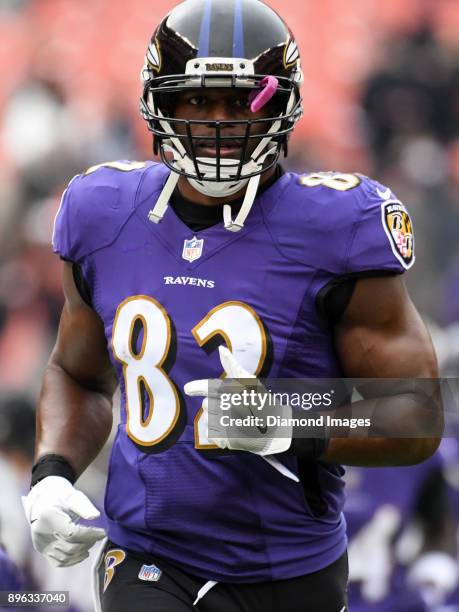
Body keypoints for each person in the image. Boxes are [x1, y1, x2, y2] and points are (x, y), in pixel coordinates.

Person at [22, 1, 441, 611]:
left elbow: (419, 413)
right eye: (196, 101)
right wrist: (53, 472)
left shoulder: (337, 226)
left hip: (291, 567)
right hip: (148, 557)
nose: (219, 122)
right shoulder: (101, 211)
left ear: (282, 105)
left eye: (243, 101)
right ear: (160, 105)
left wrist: (290, 425)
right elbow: (76, 373)